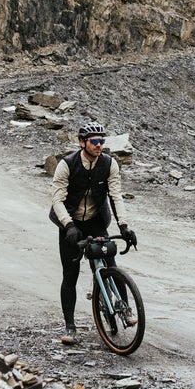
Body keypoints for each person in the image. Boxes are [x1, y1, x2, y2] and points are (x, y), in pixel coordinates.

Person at [50, 121, 135, 344]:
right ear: (82, 143)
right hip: (70, 222)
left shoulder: (109, 164)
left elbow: (116, 196)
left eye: (102, 141)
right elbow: (57, 199)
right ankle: (70, 327)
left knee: (110, 263)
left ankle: (125, 309)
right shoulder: (67, 164)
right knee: (70, 274)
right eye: (94, 141)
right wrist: (68, 225)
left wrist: (124, 226)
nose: (99, 145)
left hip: (97, 221)